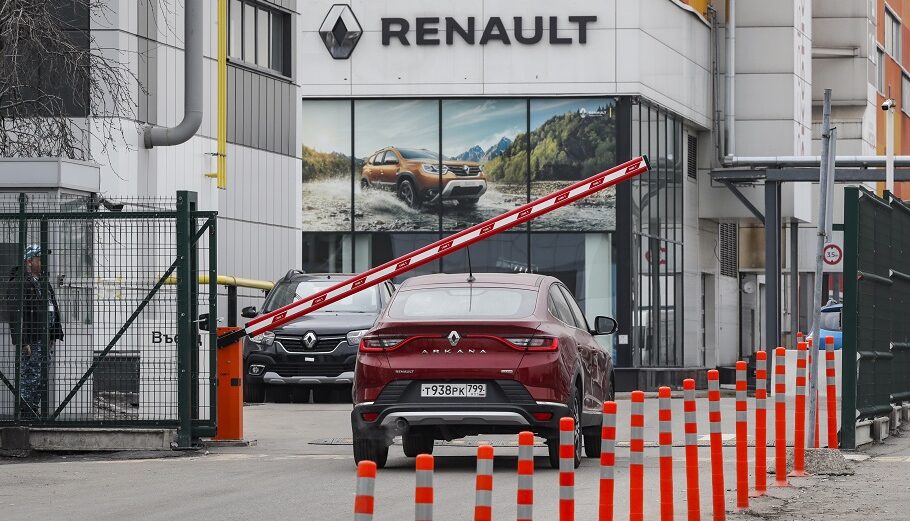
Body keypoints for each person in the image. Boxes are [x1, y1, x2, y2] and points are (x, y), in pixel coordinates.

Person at [8, 244, 63, 418]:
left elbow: (52, 307)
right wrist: (23, 341)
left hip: (44, 340)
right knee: (29, 377)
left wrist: (54, 334)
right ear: (29, 261)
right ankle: (26, 413)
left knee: (41, 378)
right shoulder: (21, 282)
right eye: (40, 258)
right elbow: (15, 315)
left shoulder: (43, 282)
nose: (43, 262)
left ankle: (33, 410)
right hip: (32, 340)